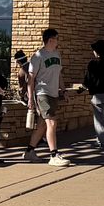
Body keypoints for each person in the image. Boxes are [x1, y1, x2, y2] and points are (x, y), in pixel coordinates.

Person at [24, 28, 68, 166]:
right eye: (57, 38)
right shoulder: (38, 56)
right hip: (42, 93)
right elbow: (30, 80)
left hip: (54, 93)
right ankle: (54, 155)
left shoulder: (57, 54)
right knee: (52, 123)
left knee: (42, 125)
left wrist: (63, 90)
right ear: (50, 40)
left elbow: (59, 74)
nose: (58, 41)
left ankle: (29, 152)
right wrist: (31, 98)